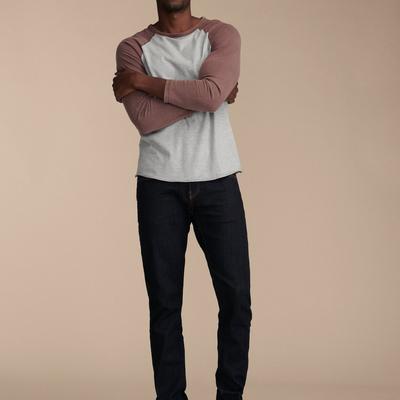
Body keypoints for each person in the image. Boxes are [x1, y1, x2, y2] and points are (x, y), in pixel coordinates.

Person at [112, 1, 252, 399]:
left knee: (236, 301)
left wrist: (144, 82)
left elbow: (210, 96)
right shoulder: (132, 48)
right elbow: (145, 118)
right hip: (159, 186)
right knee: (164, 306)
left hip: (218, 181)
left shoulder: (221, 35)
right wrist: (208, 94)